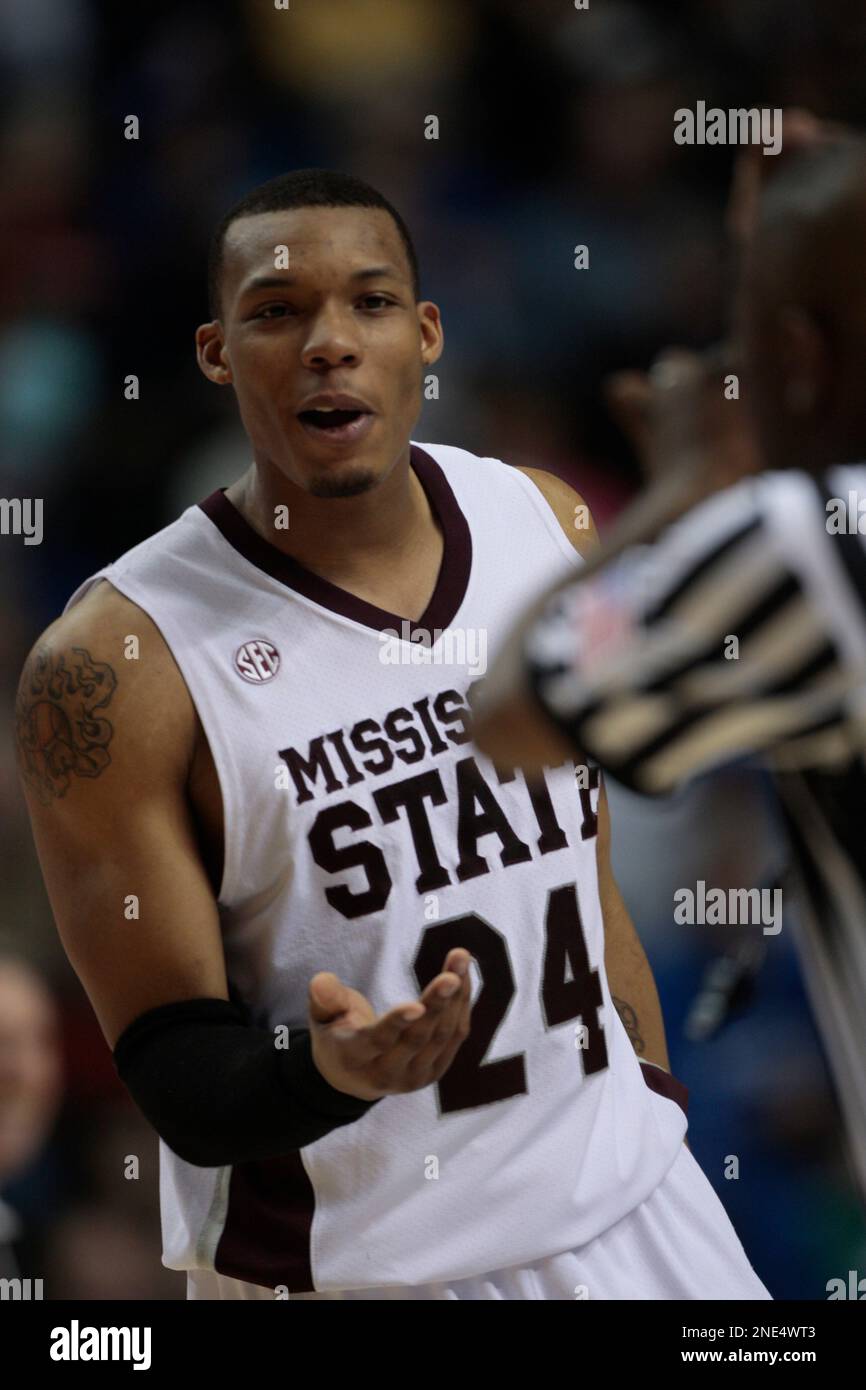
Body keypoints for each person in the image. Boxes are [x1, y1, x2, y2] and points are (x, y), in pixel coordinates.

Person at [15, 169, 768, 1300]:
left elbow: (588, 882)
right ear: (217, 353)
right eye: (277, 311)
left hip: (638, 1215)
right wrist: (323, 1069)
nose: (328, 342)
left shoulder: (543, 519)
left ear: (425, 335)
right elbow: (172, 1065)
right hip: (358, 1268)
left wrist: (647, 1099)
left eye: (368, 303)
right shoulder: (115, 664)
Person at [472, 132, 866, 1204]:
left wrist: (679, 493)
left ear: (793, 356)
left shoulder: (814, 544)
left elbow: (511, 713)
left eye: (743, 334)